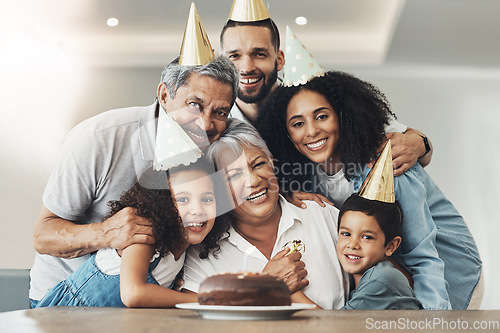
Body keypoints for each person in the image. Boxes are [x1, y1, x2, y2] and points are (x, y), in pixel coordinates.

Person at [29, 5, 240, 308]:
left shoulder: (218, 149)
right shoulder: (100, 139)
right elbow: (42, 236)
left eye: (219, 113)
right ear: (164, 95)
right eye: (194, 104)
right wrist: (104, 233)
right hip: (67, 300)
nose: (206, 124)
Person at [257, 67, 483, 309]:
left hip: (450, 275)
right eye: (298, 123)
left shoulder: (388, 164)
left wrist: (437, 322)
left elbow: (424, 258)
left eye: (322, 116)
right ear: (287, 134)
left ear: (342, 116)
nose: (311, 131)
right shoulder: (304, 175)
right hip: (392, 274)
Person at [221, 3, 432, 178]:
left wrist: (418, 144)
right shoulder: (217, 122)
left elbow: (419, 144)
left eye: (259, 54)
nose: (246, 67)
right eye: (234, 56)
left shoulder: (309, 97)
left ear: (279, 60)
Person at [182, 119, 349, 309]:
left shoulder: (323, 215)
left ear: (272, 162)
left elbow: (380, 284)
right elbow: (194, 324)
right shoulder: (203, 253)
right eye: (234, 175)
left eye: (259, 164)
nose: (253, 180)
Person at [36, 159, 230, 308]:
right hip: (67, 319)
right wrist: (203, 299)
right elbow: (133, 294)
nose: (197, 209)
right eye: (183, 200)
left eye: (207, 199)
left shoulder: (183, 252)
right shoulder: (144, 236)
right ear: (161, 203)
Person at [337, 194, 421, 310]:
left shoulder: (381, 279)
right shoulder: (367, 278)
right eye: (346, 234)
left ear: (391, 246)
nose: (352, 245)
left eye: (367, 237)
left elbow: (335, 325)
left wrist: (301, 295)